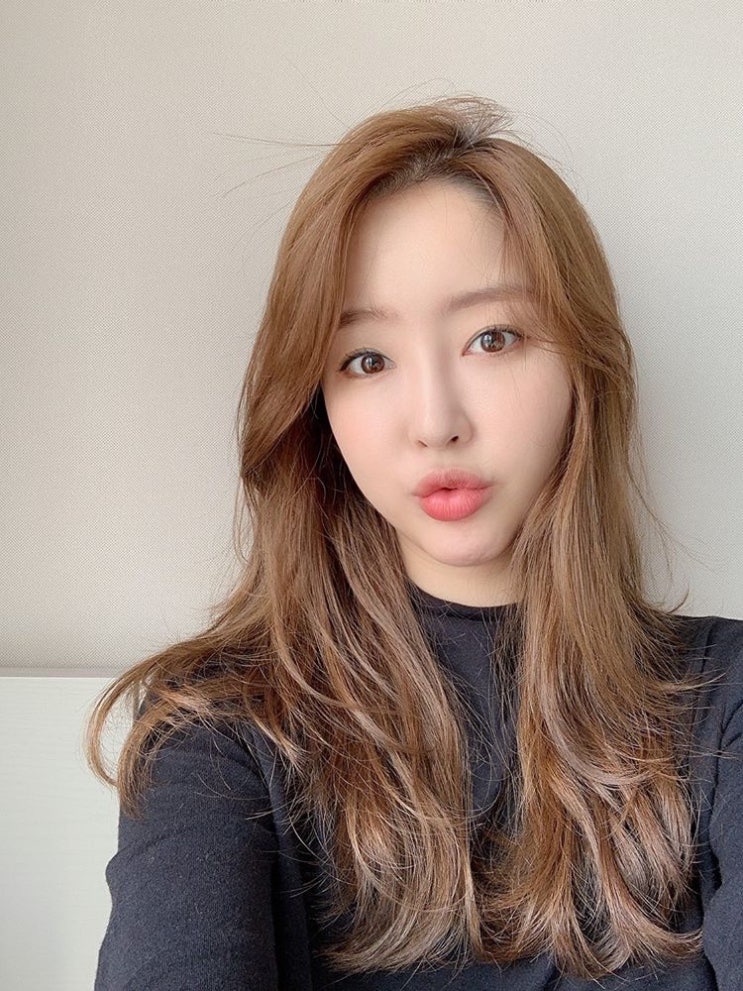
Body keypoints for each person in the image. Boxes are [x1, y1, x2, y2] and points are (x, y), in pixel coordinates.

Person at [85, 95, 743, 990]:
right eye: (366, 358)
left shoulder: (721, 702)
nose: (435, 421)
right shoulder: (217, 729)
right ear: (315, 404)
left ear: (580, 366)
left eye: (491, 338)